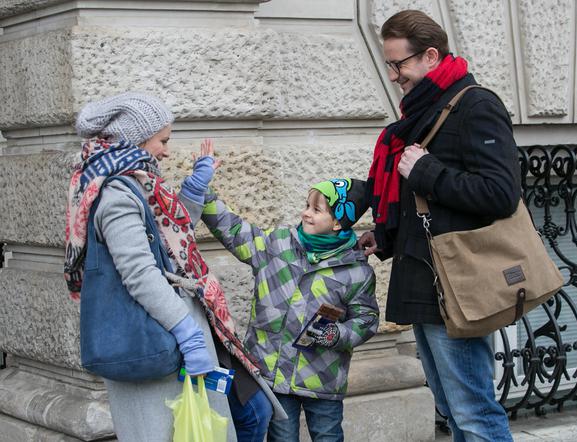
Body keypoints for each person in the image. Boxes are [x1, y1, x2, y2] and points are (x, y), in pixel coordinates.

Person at [64, 92, 284, 441]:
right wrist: (186, 332)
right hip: (158, 333)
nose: (166, 150)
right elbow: (139, 272)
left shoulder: (134, 181)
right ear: (135, 139)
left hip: (180, 326)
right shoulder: (117, 193)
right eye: (162, 140)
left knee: (253, 412)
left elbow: (168, 239)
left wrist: (196, 186)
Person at [358, 10, 520, 442]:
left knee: (473, 412)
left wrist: (428, 171)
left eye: (399, 64)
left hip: (459, 285)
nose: (393, 75)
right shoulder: (420, 113)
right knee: (451, 408)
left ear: (430, 56)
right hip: (424, 276)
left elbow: (500, 194)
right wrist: (385, 233)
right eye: (389, 65)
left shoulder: (476, 105)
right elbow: (414, 200)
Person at [187, 158, 379, 442]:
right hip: (273, 374)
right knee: (281, 438)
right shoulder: (278, 245)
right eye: (306, 205)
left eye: (317, 209)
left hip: (321, 380)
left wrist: (336, 333)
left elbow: (367, 319)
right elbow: (236, 232)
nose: (306, 213)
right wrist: (202, 191)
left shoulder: (356, 271)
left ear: (338, 222)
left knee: (327, 436)